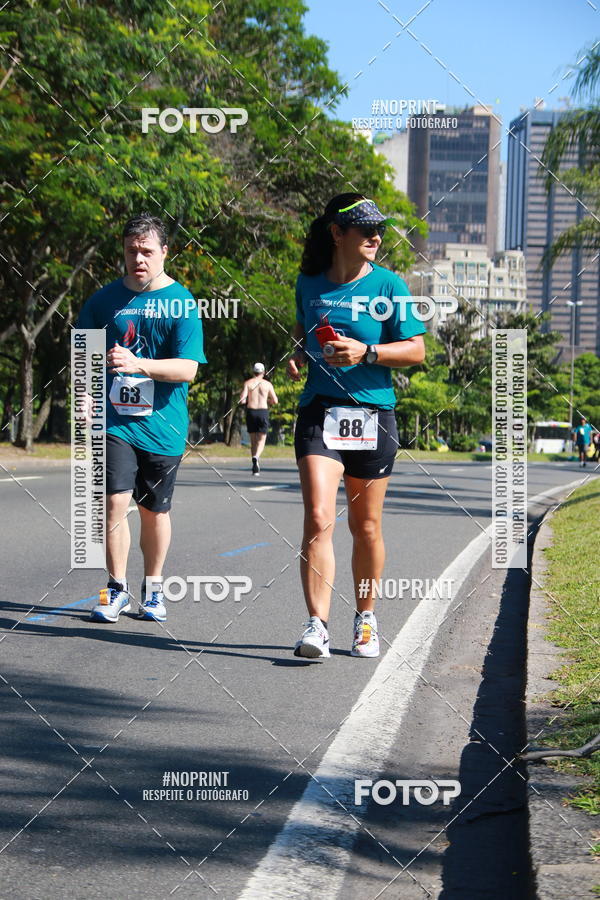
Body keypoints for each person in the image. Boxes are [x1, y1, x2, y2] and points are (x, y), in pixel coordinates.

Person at [287, 194, 426, 660]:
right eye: (366, 229)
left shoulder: (389, 286)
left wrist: (368, 352)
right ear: (337, 233)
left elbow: (416, 350)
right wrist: (297, 355)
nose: (376, 237)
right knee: (318, 517)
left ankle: (366, 618)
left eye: (379, 229)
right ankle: (316, 625)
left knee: (365, 526)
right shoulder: (309, 283)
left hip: (372, 415)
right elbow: (303, 331)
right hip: (319, 410)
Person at [76, 213, 206, 623]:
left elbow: (188, 369)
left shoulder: (182, 302)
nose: (138, 259)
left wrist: (139, 364)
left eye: (147, 251)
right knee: (113, 501)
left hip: (163, 425)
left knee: (154, 511)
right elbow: (84, 355)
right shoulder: (103, 301)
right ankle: (116, 589)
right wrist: (84, 394)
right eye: (131, 250)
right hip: (115, 421)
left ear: (164, 252)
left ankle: (154, 589)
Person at [239, 363, 278, 475]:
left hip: (251, 411)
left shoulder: (248, 383)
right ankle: (256, 457)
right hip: (262, 411)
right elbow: (275, 400)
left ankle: (254, 466)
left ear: (253, 372)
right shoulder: (267, 384)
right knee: (262, 439)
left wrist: (245, 399)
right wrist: (268, 401)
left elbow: (242, 400)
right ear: (263, 372)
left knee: (253, 440)